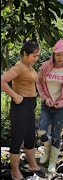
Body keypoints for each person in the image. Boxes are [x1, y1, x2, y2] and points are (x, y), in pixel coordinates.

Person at [1, 39, 47, 179]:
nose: (36, 58)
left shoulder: (29, 67)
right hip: (20, 107)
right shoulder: (20, 66)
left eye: (38, 55)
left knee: (29, 138)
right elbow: (2, 80)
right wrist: (15, 96)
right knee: (17, 140)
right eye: (34, 55)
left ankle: (32, 164)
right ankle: (15, 172)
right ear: (25, 54)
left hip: (29, 107)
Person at [36, 39, 63, 173]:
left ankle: (52, 162)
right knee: (41, 131)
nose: (61, 58)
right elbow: (38, 83)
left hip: (61, 109)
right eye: (58, 54)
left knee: (56, 134)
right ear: (53, 54)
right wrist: (45, 97)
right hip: (46, 106)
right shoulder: (45, 67)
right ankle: (46, 152)